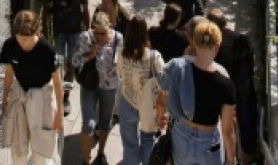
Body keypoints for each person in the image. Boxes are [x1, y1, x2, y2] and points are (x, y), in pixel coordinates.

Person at [156, 20, 238, 165]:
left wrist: (160, 116)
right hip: (209, 144)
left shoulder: (178, 68)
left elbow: (163, 94)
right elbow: (227, 129)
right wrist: (232, 159)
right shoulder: (226, 83)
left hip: (181, 137)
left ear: (194, 42)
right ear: (217, 46)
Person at [0, 10, 64, 164]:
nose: (23, 43)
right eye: (20, 38)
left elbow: (57, 83)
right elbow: (9, 72)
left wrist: (60, 115)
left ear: (36, 32)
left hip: (42, 96)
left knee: (42, 149)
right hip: (21, 92)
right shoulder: (10, 45)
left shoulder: (47, 50)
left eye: (26, 39)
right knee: (18, 146)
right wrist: (5, 96)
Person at [206, 8, 257, 165]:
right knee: (247, 128)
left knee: (227, 129)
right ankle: (247, 159)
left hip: (224, 95)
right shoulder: (242, 40)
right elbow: (251, 63)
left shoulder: (213, 45)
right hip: (244, 91)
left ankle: (230, 159)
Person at [72, 12, 122, 165]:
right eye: (96, 32)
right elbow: (74, 61)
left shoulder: (117, 38)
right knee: (88, 125)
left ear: (109, 28)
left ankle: (100, 153)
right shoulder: (85, 37)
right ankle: (85, 161)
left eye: (103, 33)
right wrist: (90, 55)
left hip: (109, 86)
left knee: (105, 123)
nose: (99, 36)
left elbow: (121, 61)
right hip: (90, 85)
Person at [116, 16, 165, 165]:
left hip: (127, 100)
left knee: (129, 143)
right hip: (147, 105)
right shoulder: (154, 56)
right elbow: (164, 80)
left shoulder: (122, 53)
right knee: (148, 138)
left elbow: (119, 73)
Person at [41, 0, 89, 117]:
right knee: (58, 63)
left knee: (71, 64)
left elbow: (85, 11)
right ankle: (57, 92)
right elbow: (45, 11)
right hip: (59, 32)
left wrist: (87, 32)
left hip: (75, 32)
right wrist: (46, 31)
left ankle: (66, 97)